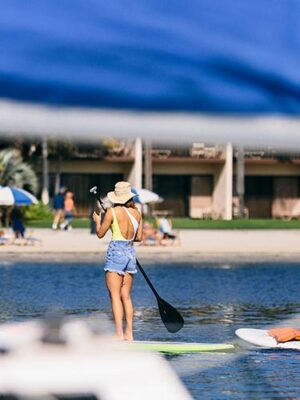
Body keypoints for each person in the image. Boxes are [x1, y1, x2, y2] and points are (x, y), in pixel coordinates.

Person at [93, 181, 142, 341]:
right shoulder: (137, 213)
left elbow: (100, 234)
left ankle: (119, 334)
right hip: (130, 253)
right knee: (126, 296)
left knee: (115, 296)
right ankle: (129, 333)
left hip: (116, 253)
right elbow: (139, 237)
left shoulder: (112, 212)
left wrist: (97, 220)